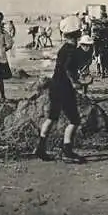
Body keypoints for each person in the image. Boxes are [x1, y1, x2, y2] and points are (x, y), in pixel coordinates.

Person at [35, 15, 86, 163]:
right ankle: (67, 151)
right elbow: (69, 68)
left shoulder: (63, 49)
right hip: (65, 88)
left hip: (54, 86)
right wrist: (76, 82)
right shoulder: (71, 50)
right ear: (76, 34)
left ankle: (41, 147)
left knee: (52, 117)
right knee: (74, 120)